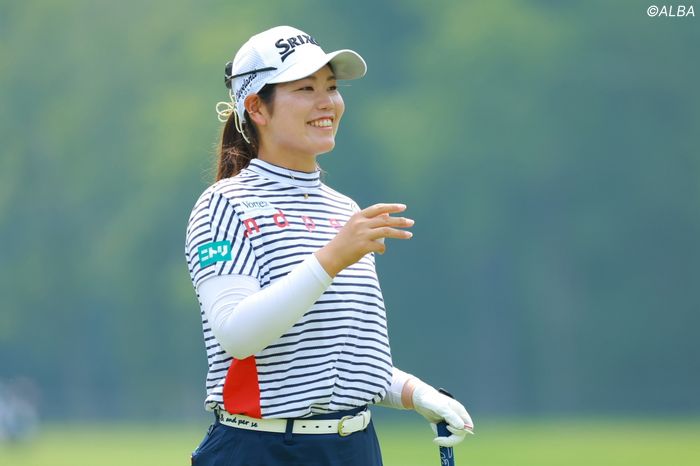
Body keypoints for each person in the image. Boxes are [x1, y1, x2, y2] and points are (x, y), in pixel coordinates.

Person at [185, 25, 474, 466]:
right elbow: (237, 335)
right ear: (256, 107)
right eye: (306, 88)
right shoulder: (225, 204)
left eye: (332, 87)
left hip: (354, 447)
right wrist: (333, 257)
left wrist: (417, 393)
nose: (327, 102)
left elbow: (344, 357)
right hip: (262, 449)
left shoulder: (343, 210)